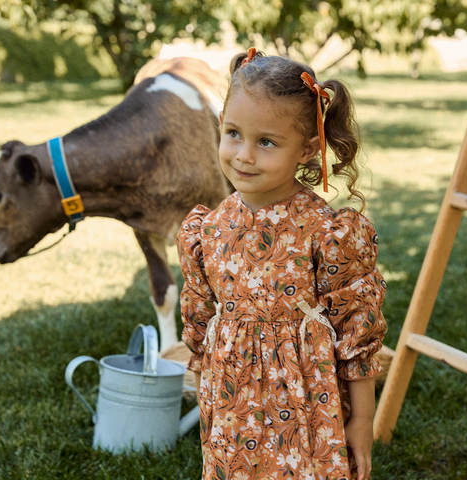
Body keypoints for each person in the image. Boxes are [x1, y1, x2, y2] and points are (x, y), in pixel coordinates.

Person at [176, 48, 387, 480]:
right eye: (233, 133)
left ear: (308, 149)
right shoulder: (208, 231)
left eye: (266, 141)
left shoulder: (326, 233)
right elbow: (199, 319)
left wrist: (362, 422)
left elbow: (356, 333)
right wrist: (207, 388)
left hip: (308, 405)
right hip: (233, 409)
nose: (244, 155)